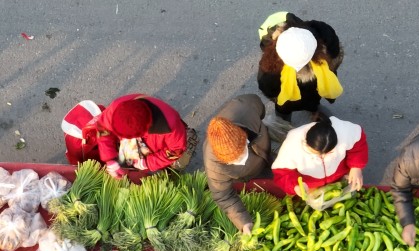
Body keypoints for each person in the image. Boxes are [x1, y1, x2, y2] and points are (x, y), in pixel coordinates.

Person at [204, 94, 273, 234]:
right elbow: (223, 195)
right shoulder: (214, 165)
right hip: (245, 174)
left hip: (264, 153)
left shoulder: (245, 108)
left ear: (243, 135)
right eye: (232, 160)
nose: (240, 159)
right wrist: (245, 222)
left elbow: (259, 108)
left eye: (241, 152)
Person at [257, 14, 343, 123]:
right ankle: (319, 116)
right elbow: (336, 55)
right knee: (314, 102)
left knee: (283, 112)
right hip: (314, 93)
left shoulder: (271, 68)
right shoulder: (326, 41)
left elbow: (267, 88)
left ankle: (283, 124)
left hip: (287, 102)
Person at [96, 93, 197, 179]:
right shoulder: (116, 109)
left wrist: (149, 163)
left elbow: (175, 151)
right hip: (141, 140)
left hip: (164, 144)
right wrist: (110, 158)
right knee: (127, 159)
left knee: (178, 162)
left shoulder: (169, 125)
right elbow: (103, 129)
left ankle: (171, 171)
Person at [271, 116, 367, 196]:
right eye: (316, 153)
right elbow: (282, 173)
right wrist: (295, 186)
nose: (322, 156)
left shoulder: (344, 131)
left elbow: (358, 145)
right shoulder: (292, 145)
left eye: (329, 152)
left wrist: (356, 168)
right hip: (311, 184)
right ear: (306, 143)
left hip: (339, 174)